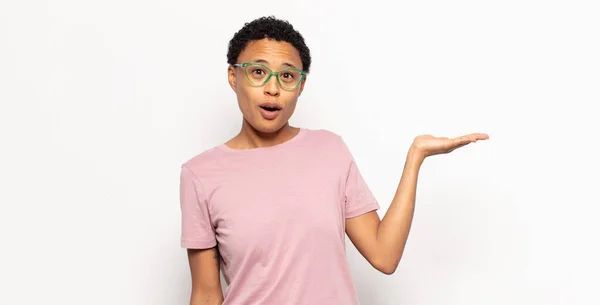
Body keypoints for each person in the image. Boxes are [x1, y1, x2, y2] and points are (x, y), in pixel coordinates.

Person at [179, 16, 489, 305]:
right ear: (234, 77)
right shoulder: (201, 174)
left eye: (287, 76)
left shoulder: (329, 149)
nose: (273, 88)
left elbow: (384, 255)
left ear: (300, 86)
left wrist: (415, 157)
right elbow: (206, 295)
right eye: (258, 72)